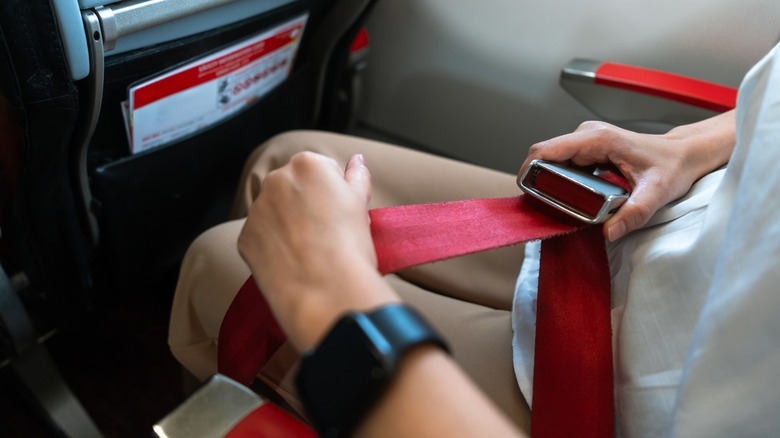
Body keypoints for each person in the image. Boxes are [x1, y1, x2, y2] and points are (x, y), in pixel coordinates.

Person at [169, 41, 780, 437]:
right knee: (289, 159)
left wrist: (327, 295)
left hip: (632, 395)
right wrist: (686, 146)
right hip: (665, 234)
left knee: (216, 260)